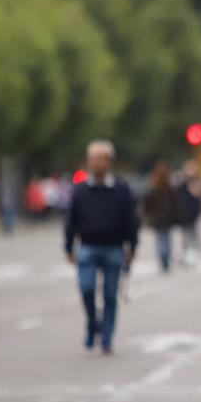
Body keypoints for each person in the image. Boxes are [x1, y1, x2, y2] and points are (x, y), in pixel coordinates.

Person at [64, 140, 139, 354]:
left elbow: (131, 220)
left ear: (109, 162)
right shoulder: (80, 191)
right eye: (93, 159)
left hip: (113, 247)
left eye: (101, 159)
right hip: (87, 247)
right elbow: (71, 220)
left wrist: (132, 246)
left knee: (110, 295)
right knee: (86, 289)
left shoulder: (121, 189)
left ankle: (106, 337)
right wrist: (68, 246)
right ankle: (91, 323)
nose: (97, 163)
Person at [142, 161, 178, 273]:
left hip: (158, 218)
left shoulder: (154, 189)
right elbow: (176, 204)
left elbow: (147, 205)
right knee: (166, 238)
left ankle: (163, 257)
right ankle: (165, 257)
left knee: (160, 239)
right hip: (167, 218)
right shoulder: (170, 189)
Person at [176, 160, 201, 267]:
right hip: (184, 212)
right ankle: (187, 256)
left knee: (194, 235)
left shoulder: (197, 182)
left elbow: (197, 194)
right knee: (185, 236)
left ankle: (195, 256)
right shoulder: (182, 182)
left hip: (194, 213)